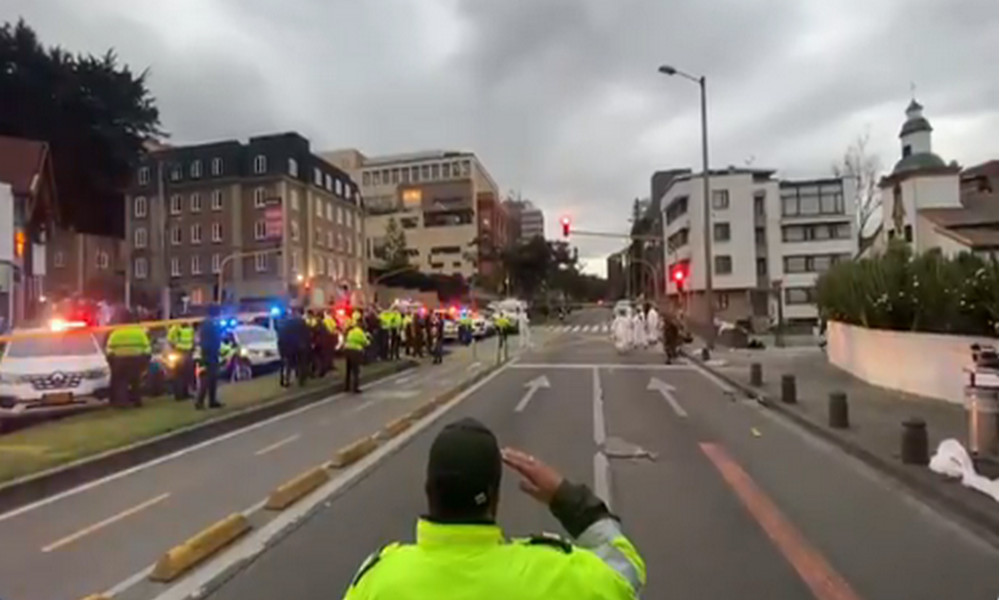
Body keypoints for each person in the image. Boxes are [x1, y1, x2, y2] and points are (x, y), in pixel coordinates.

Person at [343, 418, 645, 600]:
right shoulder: (554, 575)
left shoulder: (377, 581)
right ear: (493, 497)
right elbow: (624, 572)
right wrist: (566, 498)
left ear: (428, 491)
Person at [105, 313, 151, 408]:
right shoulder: (139, 332)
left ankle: (122, 403)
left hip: (120, 361)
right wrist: (145, 361)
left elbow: (109, 349)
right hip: (136, 360)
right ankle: (137, 401)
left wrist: (112, 361)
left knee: (121, 382)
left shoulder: (116, 332)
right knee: (136, 382)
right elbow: (147, 348)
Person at [195, 305, 224, 409]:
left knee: (213, 378)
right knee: (207, 378)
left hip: (213, 353)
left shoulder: (212, 323)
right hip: (208, 354)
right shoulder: (208, 324)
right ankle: (200, 402)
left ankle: (212, 401)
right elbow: (208, 340)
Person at [166, 320, 195, 400]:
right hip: (180, 352)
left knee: (185, 374)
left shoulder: (189, 327)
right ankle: (179, 395)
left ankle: (185, 393)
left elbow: (192, 339)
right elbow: (170, 340)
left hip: (186, 353)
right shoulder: (176, 328)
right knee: (179, 375)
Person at [342, 321, 370, 393]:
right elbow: (365, 342)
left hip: (347, 350)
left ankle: (346, 387)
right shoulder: (360, 333)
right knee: (356, 370)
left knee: (348, 370)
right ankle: (355, 388)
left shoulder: (351, 331)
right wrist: (368, 341)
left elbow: (346, 339)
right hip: (356, 351)